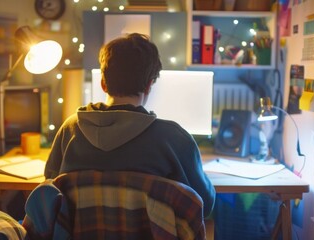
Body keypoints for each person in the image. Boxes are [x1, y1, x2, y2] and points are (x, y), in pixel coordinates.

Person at [44, 33, 216, 217]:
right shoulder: (174, 138)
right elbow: (204, 204)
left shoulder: (70, 129)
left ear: (103, 82)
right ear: (150, 85)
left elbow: (49, 186)